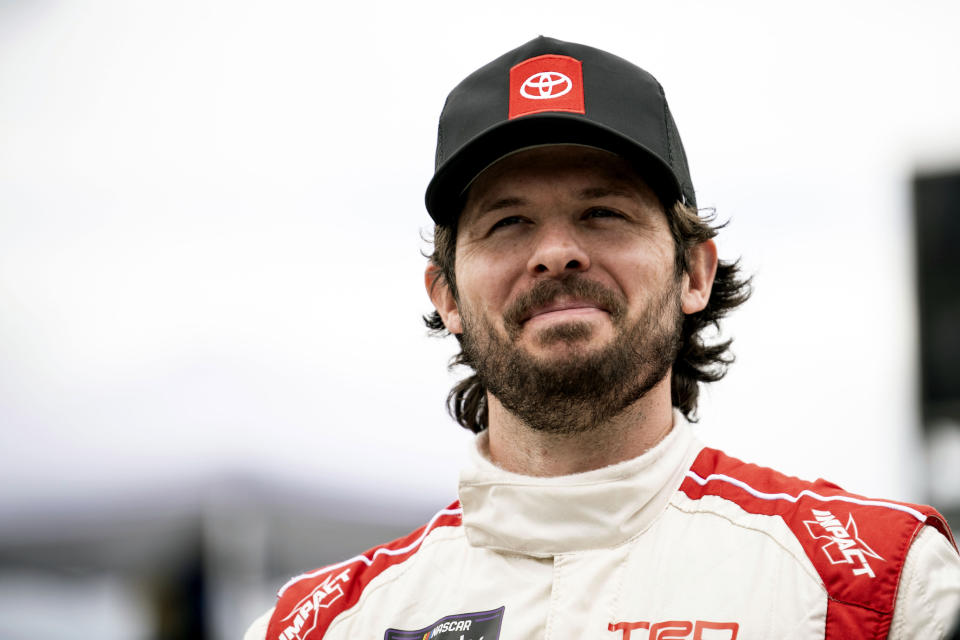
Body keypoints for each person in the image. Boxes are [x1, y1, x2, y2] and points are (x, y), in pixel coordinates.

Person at [246, 36, 960, 640]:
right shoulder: (321, 622)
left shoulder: (884, 586)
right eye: (508, 222)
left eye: (603, 212)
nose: (556, 253)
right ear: (447, 296)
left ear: (694, 273)